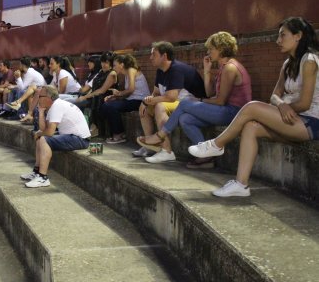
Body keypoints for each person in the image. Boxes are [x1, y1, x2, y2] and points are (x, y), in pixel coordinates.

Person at [189, 17, 318, 197]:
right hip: (290, 120)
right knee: (250, 127)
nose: (278, 41)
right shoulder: (287, 64)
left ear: (298, 36)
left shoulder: (310, 60)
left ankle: (217, 145)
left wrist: (286, 107)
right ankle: (241, 185)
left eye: (283, 35)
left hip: (309, 122)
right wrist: (282, 105)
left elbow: (304, 103)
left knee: (252, 107)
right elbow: (274, 96)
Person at [138, 31, 252, 167]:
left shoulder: (230, 68)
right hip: (224, 110)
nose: (208, 52)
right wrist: (207, 71)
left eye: (211, 48)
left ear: (221, 48)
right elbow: (210, 93)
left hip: (234, 113)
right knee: (185, 119)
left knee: (185, 103)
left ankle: (160, 135)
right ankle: (206, 158)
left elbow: (220, 101)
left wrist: (198, 101)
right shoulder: (224, 67)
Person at [133, 41, 206, 160]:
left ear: (164, 56)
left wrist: (147, 102)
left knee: (160, 106)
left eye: (154, 54)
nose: (150, 57)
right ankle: (151, 145)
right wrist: (146, 101)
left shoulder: (176, 69)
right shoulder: (160, 70)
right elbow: (156, 93)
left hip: (192, 104)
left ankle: (167, 151)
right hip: (177, 104)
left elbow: (171, 97)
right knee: (146, 108)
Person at [21, 85, 91, 188]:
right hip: (72, 136)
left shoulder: (57, 106)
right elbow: (43, 129)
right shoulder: (54, 106)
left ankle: (43, 178)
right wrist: (40, 112)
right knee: (41, 137)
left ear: (49, 98)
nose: (38, 98)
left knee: (44, 139)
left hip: (80, 139)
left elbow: (49, 133)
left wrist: (39, 134)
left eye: (40, 96)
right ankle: (36, 172)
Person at [101, 54, 150, 144]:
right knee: (106, 105)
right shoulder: (126, 74)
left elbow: (131, 89)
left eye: (115, 65)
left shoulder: (131, 70)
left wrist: (119, 94)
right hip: (132, 100)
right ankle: (118, 133)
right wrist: (114, 97)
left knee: (110, 106)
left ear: (122, 65)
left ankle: (119, 135)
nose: (114, 68)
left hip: (140, 101)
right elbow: (128, 93)